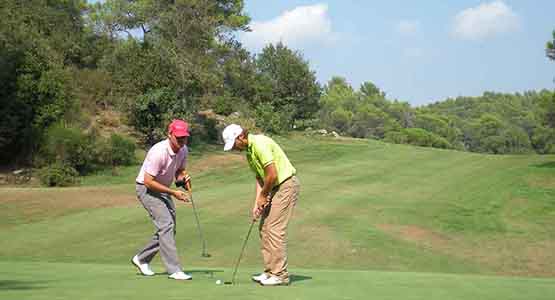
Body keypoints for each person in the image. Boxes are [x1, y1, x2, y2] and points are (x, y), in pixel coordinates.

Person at [222, 124, 300, 286]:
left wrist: (264, 195)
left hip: (285, 185)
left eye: (234, 144)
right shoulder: (249, 151)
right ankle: (270, 271)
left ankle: (280, 275)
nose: (234, 149)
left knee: (274, 229)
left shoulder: (259, 144)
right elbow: (260, 177)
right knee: (264, 228)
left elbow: (272, 174)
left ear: (241, 137)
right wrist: (257, 202)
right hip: (273, 186)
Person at [132, 119, 193, 281]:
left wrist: (182, 180)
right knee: (166, 225)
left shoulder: (183, 150)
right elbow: (148, 181)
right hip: (147, 189)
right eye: (178, 137)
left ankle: (142, 258)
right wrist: (173, 193)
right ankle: (174, 270)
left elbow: (179, 171)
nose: (181, 141)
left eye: (184, 137)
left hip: (163, 189)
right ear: (170, 135)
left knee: (168, 229)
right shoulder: (158, 151)